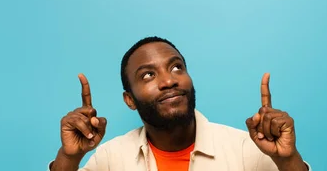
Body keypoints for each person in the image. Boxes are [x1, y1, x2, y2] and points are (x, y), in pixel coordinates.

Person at [49, 36, 311, 171]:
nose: (168, 81)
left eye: (176, 67)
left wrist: (288, 161)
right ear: (129, 100)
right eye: (148, 75)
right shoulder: (111, 157)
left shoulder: (246, 150)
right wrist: (69, 158)